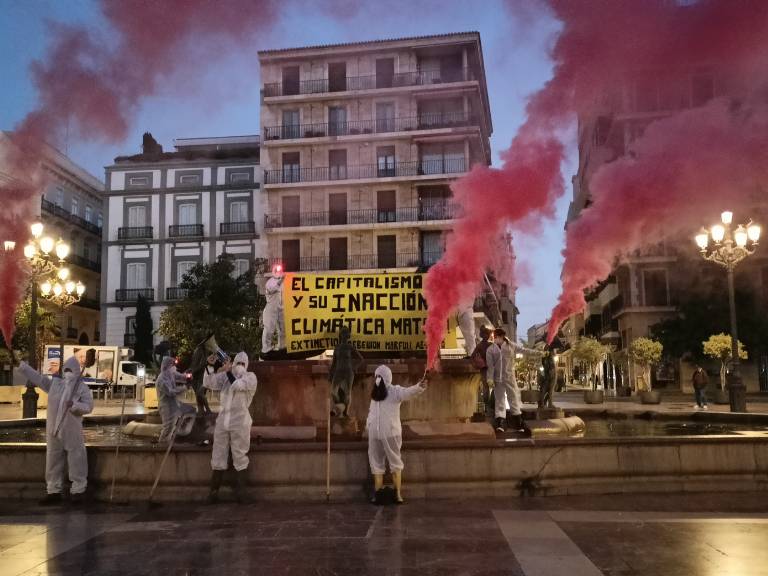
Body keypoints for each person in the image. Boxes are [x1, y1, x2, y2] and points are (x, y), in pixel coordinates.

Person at [19, 356, 94, 504]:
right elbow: (39, 379)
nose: (67, 372)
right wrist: (24, 368)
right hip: (54, 429)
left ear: (77, 371)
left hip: (71, 429)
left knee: (76, 458)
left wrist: (75, 405)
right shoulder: (56, 384)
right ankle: (53, 491)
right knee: (53, 459)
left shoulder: (81, 387)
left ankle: (78, 491)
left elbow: (89, 406)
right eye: (65, 369)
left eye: (70, 370)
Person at [366, 365, 427, 505]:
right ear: (389, 377)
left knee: (376, 463)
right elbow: (409, 392)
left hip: (374, 433)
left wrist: (368, 426)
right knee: (395, 462)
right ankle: (398, 494)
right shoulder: (394, 391)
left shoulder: (375, 393)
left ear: (377, 377)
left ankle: (377, 494)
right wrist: (419, 386)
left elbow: (371, 412)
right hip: (390, 432)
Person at [203, 351, 258, 503]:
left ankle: (242, 494)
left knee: (240, 456)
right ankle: (213, 493)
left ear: (246, 365)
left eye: (241, 364)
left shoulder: (250, 377)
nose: (239, 366)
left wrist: (228, 371)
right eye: (237, 363)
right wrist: (210, 365)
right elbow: (208, 382)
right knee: (218, 456)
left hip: (240, 422)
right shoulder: (227, 376)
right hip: (223, 421)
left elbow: (238, 385)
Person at [487, 328, 523, 433]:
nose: (494, 339)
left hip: (509, 377)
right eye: (494, 337)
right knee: (499, 400)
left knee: (513, 398)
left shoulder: (510, 346)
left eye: (496, 337)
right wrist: (490, 379)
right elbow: (490, 366)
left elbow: (524, 350)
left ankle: (518, 422)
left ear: (501, 336)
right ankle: (500, 422)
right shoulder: (491, 349)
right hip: (498, 379)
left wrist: (540, 353)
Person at [156, 357, 196, 444]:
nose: (174, 367)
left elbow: (181, 376)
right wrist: (184, 388)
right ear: (167, 366)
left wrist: (188, 375)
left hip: (175, 404)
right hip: (166, 406)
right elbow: (171, 392)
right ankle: (162, 445)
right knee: (168, 427)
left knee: (191, 410)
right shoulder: (161, 379)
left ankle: (181, 431)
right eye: (172, 365)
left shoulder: (171, 373)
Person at [329, 326, 364, 417]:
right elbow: (333, 363)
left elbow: (361, 359)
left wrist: (355, 368)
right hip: (338, 371)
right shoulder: (337, 348)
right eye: (343, 334)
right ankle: (340, 407)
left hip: (348, 372)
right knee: (333, 391)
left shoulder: (350, 347)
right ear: (341, 335)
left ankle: (345, 412)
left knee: (348, 393)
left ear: (348, 336)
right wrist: (330, 374)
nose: (344, 336)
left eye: (346, 334)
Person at [261, 265, 285, 355]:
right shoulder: (270, 282)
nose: (278, 271)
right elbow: (271, 289)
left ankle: (282, 346)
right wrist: (280, 281)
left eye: (280, 270)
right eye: (277, 270)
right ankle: (266, 348)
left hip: (281, 307)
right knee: (269, 329)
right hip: (271, 308)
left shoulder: (283, 283)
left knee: (283, 329)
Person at [471, 326, 493, 413]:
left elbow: (472, 356)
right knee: (486, 388)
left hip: (486, 368)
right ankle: (487, 405)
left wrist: (477, 364)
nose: (487, 336)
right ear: (483, 335)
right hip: (486, 369)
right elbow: (473, 356)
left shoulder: (484, 345)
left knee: (487, 388)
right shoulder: (484, 345)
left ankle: (487, 405)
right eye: (486, 334)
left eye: (488, 334)